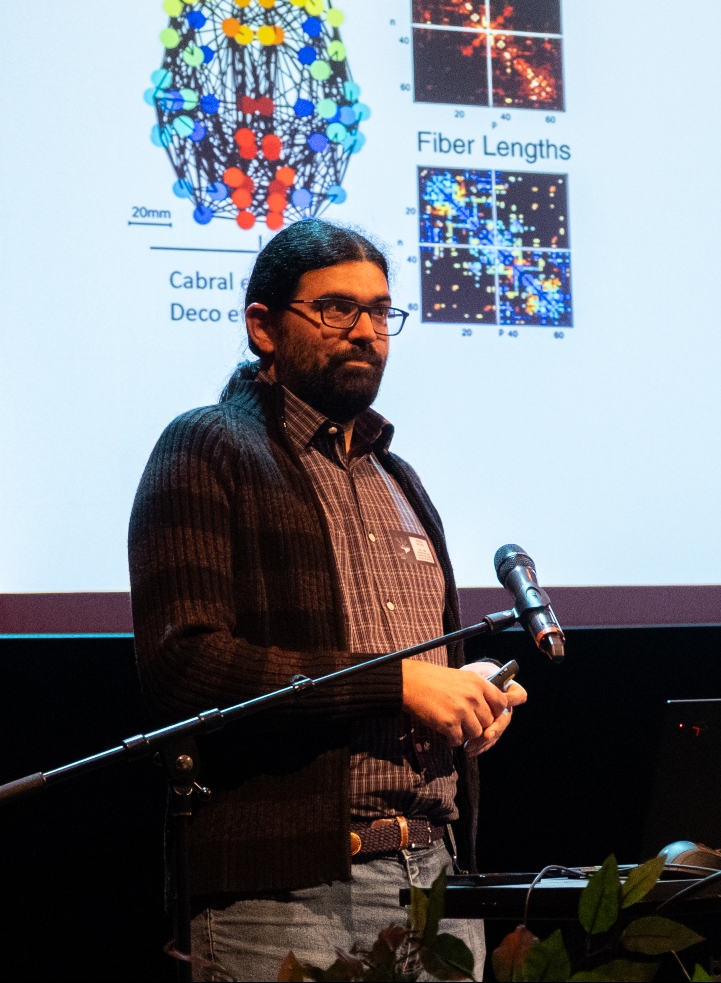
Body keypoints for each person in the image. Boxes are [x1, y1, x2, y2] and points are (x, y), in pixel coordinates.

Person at [129, 219, 524, 981]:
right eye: (338, 308)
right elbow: (185, 665)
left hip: (437, 883)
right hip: (286, 893)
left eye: (380, 311)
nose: (366, 331)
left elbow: (414, 676)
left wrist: (465, 698)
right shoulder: (208, 446)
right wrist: (398, 683)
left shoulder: (397, 478)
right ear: (263, 326)